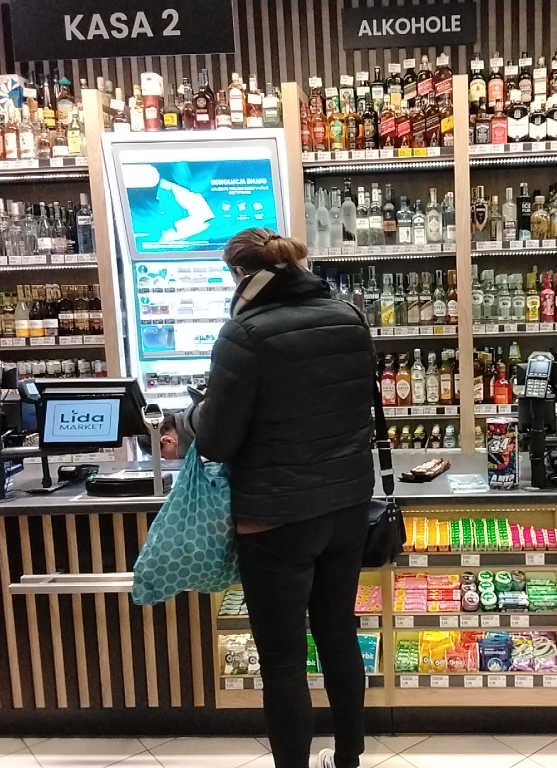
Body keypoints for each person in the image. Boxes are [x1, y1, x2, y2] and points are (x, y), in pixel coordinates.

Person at [193, 228, 375, 768]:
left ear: (240, 275)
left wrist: (196, 414)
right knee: (339, 635)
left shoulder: (244, 333)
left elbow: (218, 441)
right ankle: (348, 758)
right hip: (346, 505)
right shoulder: (349, 317)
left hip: (275, 519)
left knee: (283, 660)